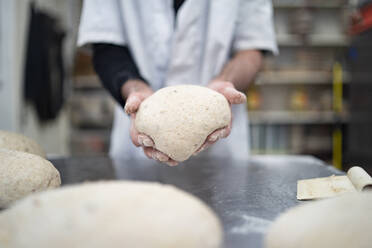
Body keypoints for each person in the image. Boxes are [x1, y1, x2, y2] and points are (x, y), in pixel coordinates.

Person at [78, 0, 277, 165]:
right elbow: (105, 45)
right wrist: (134, 88)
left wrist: (226, 82)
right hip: (139, 149)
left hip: (221, 157)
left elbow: (252, 48)